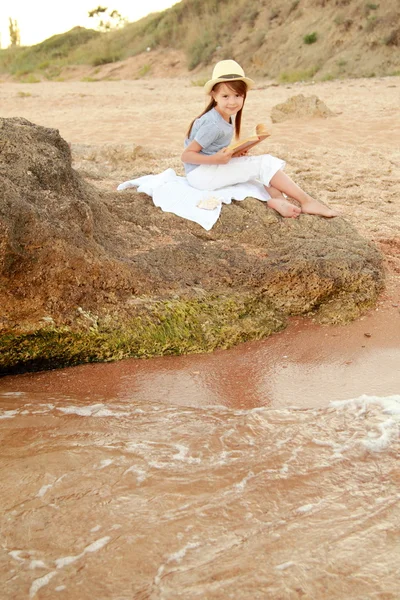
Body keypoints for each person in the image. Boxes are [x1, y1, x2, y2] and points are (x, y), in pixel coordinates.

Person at [181, 59, 338, 218]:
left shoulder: (224, 116)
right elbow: (186, 156)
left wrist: (234, 153)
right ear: (214, 95)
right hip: (201, 175)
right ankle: (306, 201)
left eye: (237, 95)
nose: (232, 102)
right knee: (264, 164)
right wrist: (217, 159)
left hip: (207, 170)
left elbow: (211, 150)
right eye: (225, 96)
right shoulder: (212, 124)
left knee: (259, 174)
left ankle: (277, 199)